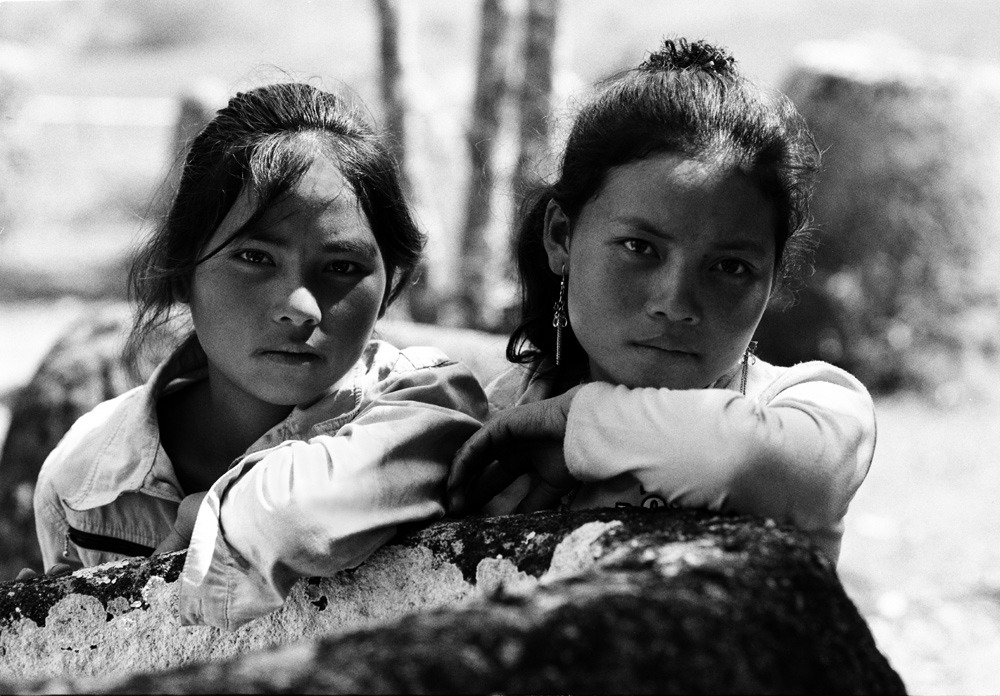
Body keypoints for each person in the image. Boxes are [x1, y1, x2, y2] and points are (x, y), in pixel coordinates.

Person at [30, 82, 488, 630]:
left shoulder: (428, 404)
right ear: (180, 272)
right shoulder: (87, 475)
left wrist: (199, 525)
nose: (300, 308)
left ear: (394, 285)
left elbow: (295, 519)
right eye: (254, 256)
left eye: (342, 266)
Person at [448, 39, 876, 564]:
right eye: (639, 248)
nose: (676, 303)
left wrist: (583, 424)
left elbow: (797, 475)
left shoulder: (811, 409)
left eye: (730, 267)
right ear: (562, 236)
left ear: (773, 278)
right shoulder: (504, 411)